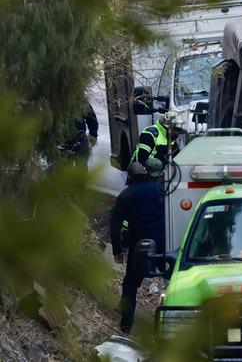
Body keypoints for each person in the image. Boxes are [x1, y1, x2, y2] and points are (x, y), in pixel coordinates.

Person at [110, 158, 166, 333]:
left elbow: (115, 224)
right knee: (173, 280)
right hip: (162, 245)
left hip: (139, 248)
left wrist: (117, 250)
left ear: (130, 177)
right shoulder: (161, 189)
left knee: (130, 284)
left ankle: (126, 325)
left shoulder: (126, 195)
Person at [62, 103, 99, 171]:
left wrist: (93, 136)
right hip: (64, 141)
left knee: (80, 167)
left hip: (79, 140)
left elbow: (91, 119)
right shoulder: (53, 97)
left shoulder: (80, 100)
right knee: (65, 169)